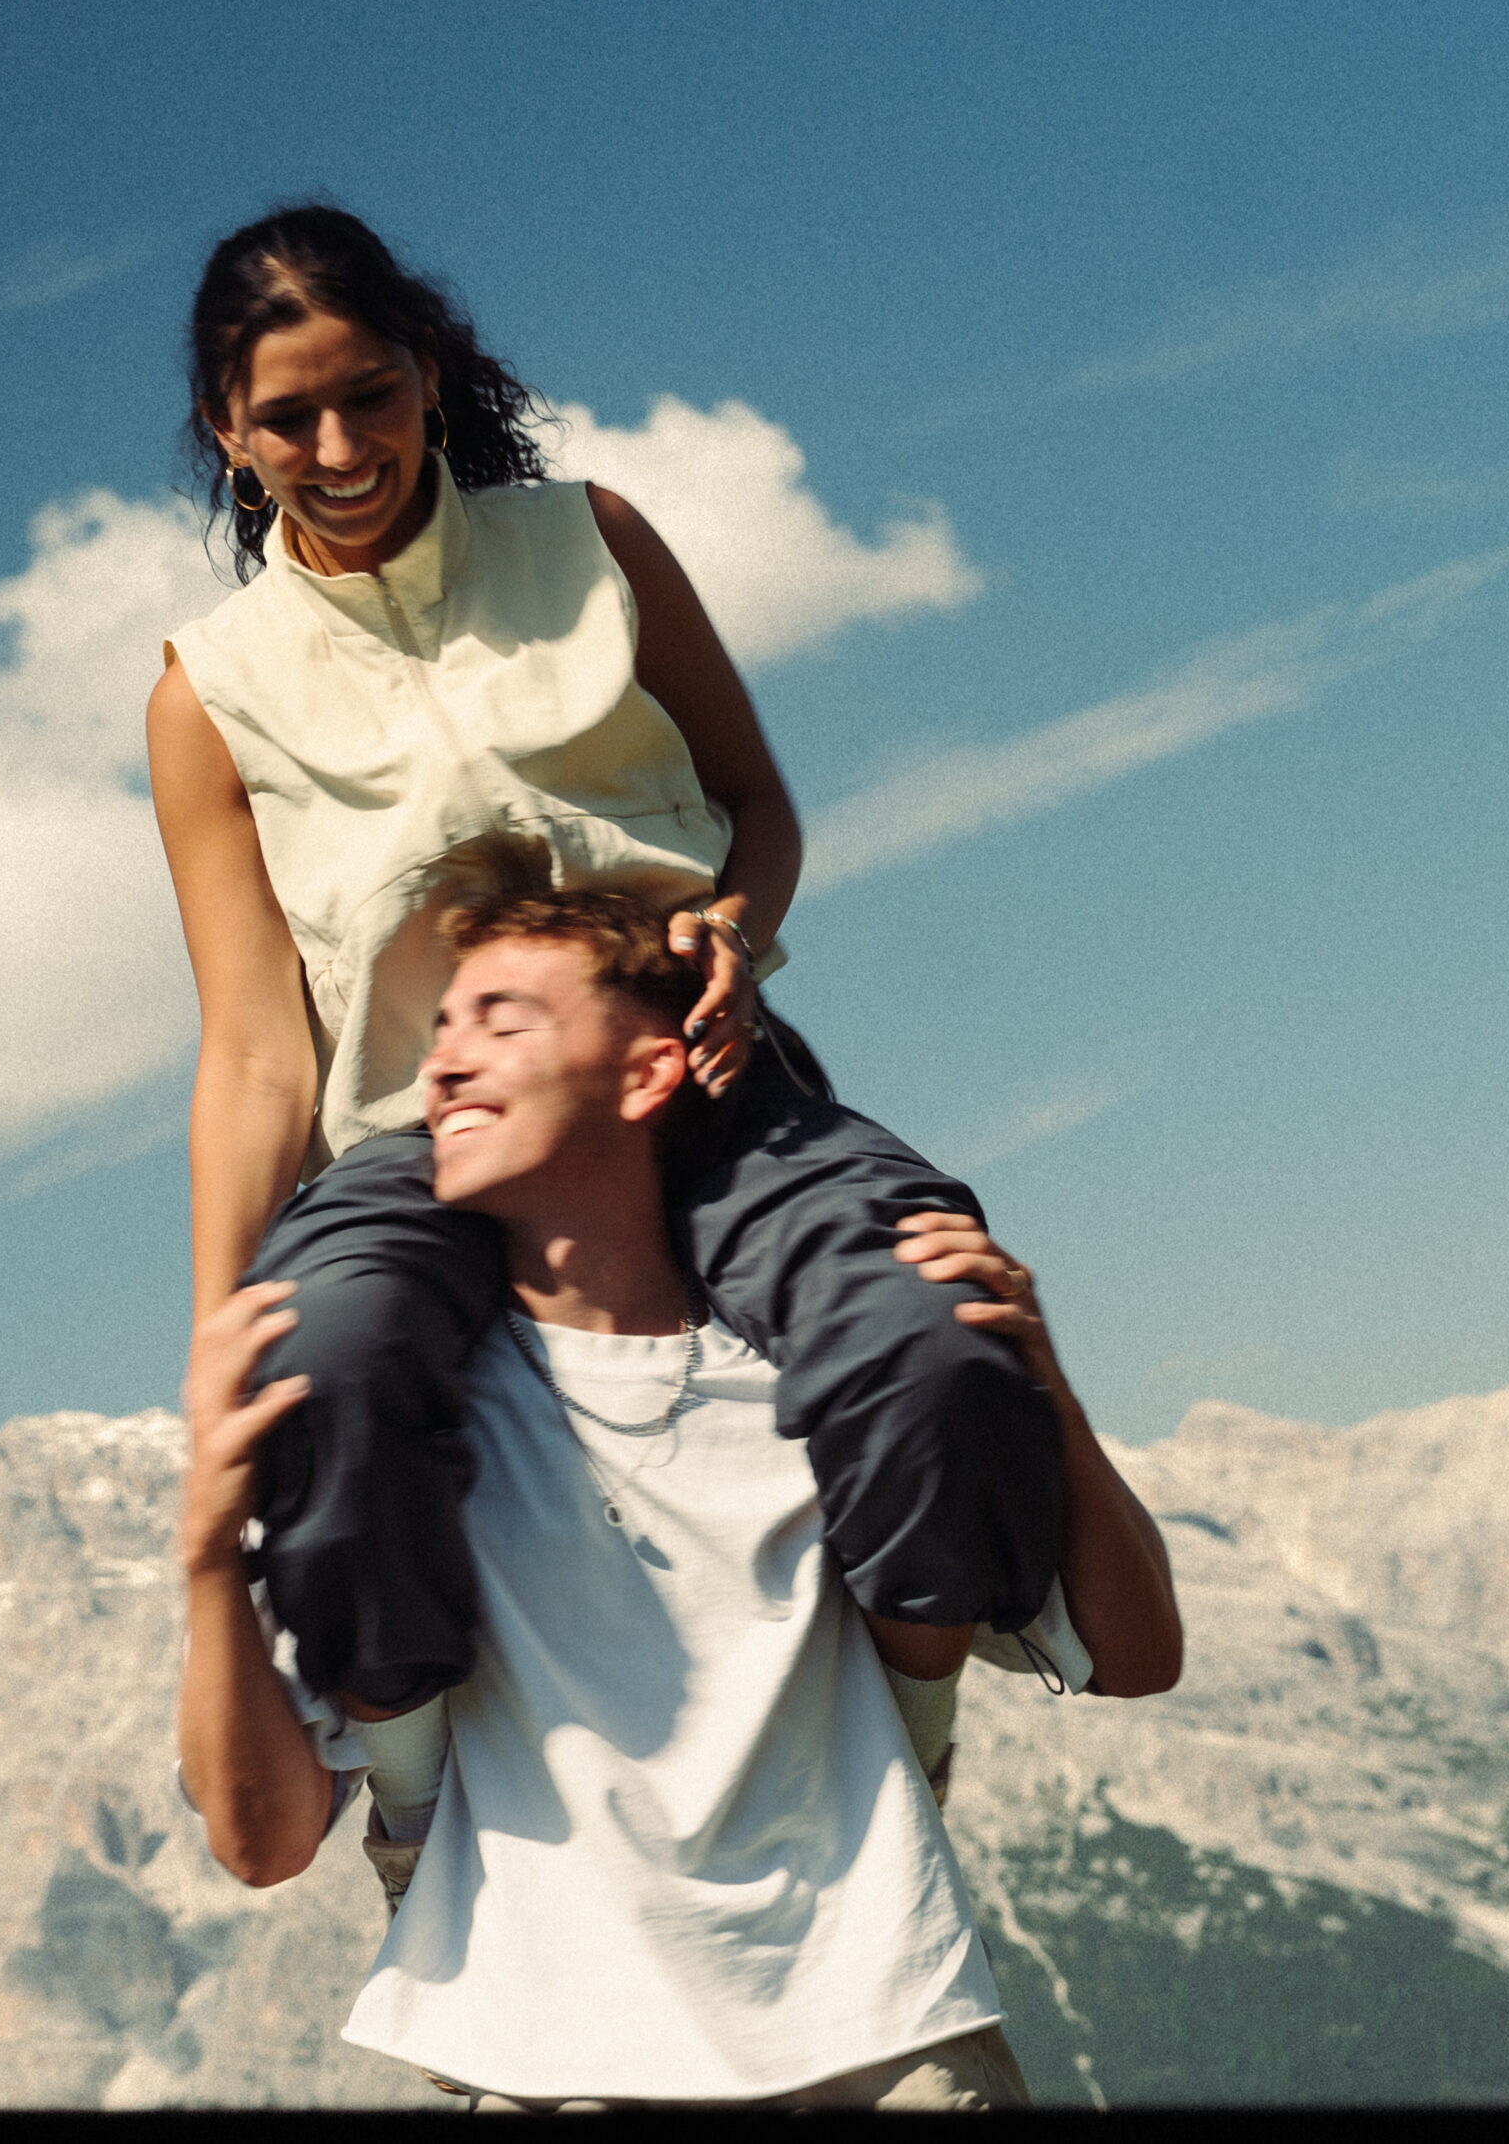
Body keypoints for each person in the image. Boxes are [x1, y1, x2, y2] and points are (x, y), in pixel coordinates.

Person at [148, 203, 1064, 1740]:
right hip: (422, 1142)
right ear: (228, 435)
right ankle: (412, 1779)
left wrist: (733, 930)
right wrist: (216, 1338)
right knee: (325, 1381)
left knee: (930, 1326)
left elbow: (757, 807)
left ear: (429, 369)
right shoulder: (206, 698)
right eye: (288, 418)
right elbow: (255, 1054)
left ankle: (917, 1724)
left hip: (700, 1080)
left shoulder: (594, 541)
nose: (341, 445)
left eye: (369, 391)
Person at [176, 892, 1183, 2111]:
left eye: (502, 1019)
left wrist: (1046, 1391)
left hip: (887, 2050)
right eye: (441, 1024)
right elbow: (261, 1841)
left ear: (651, 1069)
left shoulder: (813, 1379)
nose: (442, 1060)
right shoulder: (404, 1424)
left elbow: (1136, 1656)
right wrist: (204, 1562)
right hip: (550, 2072)